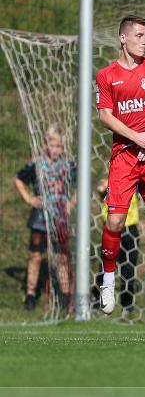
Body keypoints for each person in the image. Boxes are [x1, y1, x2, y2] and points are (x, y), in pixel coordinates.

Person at [95, 15, 145, 317]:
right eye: (140, 35)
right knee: (115, 223)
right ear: (123, 38)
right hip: (125, 156)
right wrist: (136, 139)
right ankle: (108, 281)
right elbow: (105, 116)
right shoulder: (107, 75)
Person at [15, 127, 76, 312]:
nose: (56, 149)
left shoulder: (68, 166)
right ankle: (31, 294)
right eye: (52, 145)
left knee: (62, 257)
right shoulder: (37, 165)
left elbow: (82, 183)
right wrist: (29, 199)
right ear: (45, 145)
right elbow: (18, 179)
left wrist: (71, 203)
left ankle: (65, 297)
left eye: (59, 146)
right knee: (35, 256)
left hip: (60, 218)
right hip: (40, 218)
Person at [95, 178, 141, 317]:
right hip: (112, 229)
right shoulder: (110, 181)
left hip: (129, 230)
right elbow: (100, 189)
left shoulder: (135, 184)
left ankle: (127, 306)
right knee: (105, 267)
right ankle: (97, 301)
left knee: (128, 270)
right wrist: (105, 186)